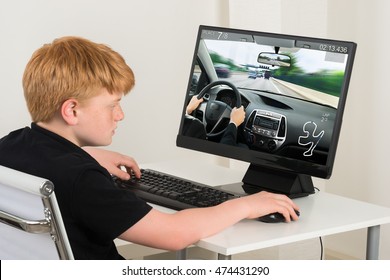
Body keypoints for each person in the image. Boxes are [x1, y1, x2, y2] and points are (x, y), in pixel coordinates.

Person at [0, 36, 299, 259]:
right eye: (113, 105)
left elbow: (46, 156)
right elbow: (173, 235)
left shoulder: (10, 146)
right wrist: (247, 204)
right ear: (72, 111)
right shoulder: (83, 180)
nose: (120, 115)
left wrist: (86, 155)